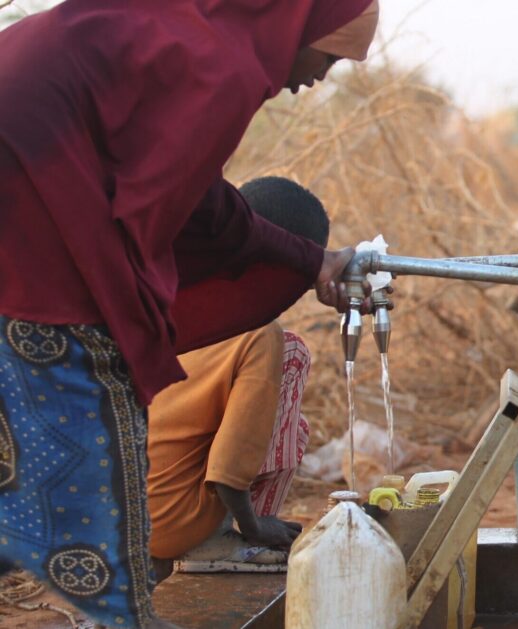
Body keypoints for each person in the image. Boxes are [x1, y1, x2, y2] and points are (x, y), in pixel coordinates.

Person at [0, 2, 379, 626]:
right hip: (38, 215)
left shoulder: (179, 31)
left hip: (29, 200)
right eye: (330, 57)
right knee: (101, 385)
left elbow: (201, 201)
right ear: (299, 28)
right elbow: (162, 213)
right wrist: (137, 325)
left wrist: (307, 259)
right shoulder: (224, 69)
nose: (321, 78)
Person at [147, 178, 331, 579]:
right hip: (173, 521)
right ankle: (231, 542)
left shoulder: (175, 298)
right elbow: (230, 463)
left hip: (115, 514)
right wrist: (254, 525)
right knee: (293, 357)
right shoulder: (257, 334)